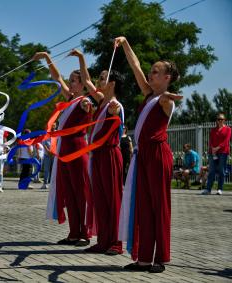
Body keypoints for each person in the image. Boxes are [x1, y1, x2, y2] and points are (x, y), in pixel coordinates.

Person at [116, 36, 182, 273]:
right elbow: (135, 66)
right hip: (142, 156)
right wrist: (124, 43)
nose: (150, 74)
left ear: (167, 78)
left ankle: (160, 258)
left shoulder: (166, 101)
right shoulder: (148, 93)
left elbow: (168, 100)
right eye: (151, 71)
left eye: (156, 71)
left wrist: (168, 97)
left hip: (158, 155)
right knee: (143, 206)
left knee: (159, 206)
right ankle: (143, 258)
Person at [32, 51, 94, 247]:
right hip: (64, 150)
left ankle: (85, 233)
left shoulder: (85, 102)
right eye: (71, 81)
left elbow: (87, 79)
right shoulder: (69, 99)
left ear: (82, 83)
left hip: (77, 149)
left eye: (75, 81)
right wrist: (47, 58)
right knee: (69, 192)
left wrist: (81, 58)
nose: (71, 83)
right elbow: (56, 78)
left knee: (80, 192)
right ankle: (74, 232)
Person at [71, 49, 125, 255]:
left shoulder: (115, 104)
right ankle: (103, 240)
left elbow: (115, 113)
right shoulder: (101, 100)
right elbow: (86, 79)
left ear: (112, 83)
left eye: (103, 78)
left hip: (111, 154)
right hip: (98, 156)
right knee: (100, 199)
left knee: (113, 199)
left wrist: (114, 112)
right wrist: (81, 58)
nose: (99, 80)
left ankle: (116, 243)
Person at [202, 113, 231, 195]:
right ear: (216, 120)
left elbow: (226, 141)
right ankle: (208, 189)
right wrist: (212, 148)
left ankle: (219, 189)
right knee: (211, 171)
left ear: (224, 120)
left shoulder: (228, 129)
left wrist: (217, 148)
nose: (220, 121)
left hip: (223, 152)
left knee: (222, 171)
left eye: (222, 119)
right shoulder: (213, 130)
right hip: (212, 153)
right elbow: (210, 140)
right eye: (218, 119)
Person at [41, 123, 57, 190]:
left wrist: (54, 152)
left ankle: (53, 183)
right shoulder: (46, 133)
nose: (53, 127)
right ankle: (45, 183)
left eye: (54, 126)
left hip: (55, 154)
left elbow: (58, 142)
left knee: (54, 170)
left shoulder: (57, 132)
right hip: (47, 154)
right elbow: (44, 143)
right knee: (46, 170)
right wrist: (48, 151)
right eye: (52, 126)